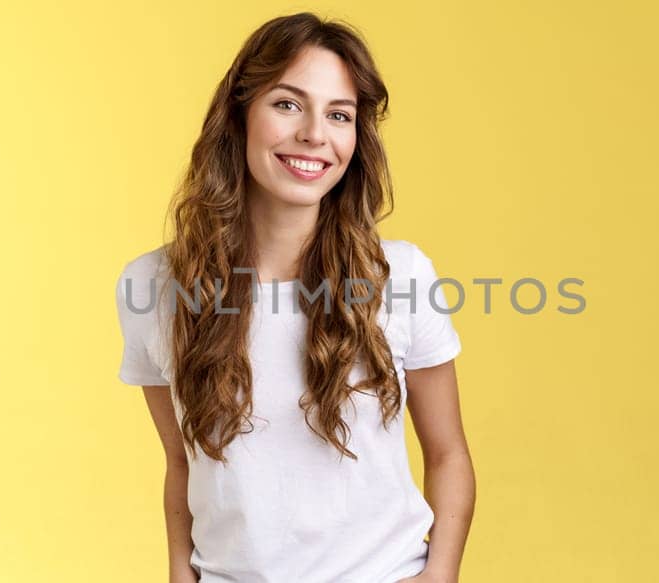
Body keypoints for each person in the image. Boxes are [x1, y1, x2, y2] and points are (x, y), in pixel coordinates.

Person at [115, 12, 475, 583]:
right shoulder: (152, 288)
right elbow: (182, 464)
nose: (314, 134)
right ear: (239, 115)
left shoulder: (399, 275)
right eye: (287, 104)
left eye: (339, 115)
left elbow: (448, 453)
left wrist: (441, 576)